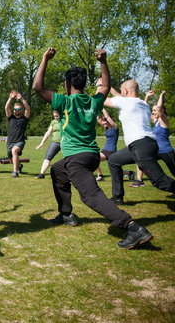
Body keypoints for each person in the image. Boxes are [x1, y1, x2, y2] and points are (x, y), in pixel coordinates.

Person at [32, 47, 153, 249]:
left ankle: (133, 227)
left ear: (67, 84)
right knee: (57, 170)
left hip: (77, 158)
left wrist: (45, 59)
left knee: (90, 195)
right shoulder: (93, 101)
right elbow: (105, 87)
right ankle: (66, 214)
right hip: (91, 155)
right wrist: (103, 61)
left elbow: (37, 87)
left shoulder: (65, 101)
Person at [105, 81, 175, 205]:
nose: (121, 94)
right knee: (114, 160)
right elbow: (119, 96)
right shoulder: (143, 103)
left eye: (122, 91)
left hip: (141, 146)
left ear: (125, 92)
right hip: (145, 145)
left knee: (160, 181)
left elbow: (102, 100)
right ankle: (117, 197)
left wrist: (101, 87)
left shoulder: (126, 102)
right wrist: (109, 86)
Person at [130, 90, 175, 187]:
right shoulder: (155, 121)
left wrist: (161, 96)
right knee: (141, 159)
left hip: (166, 151)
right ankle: (139, 180)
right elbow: (143, 110)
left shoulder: (164, 121)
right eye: (153, 110)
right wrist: (146, 97)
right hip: (156, 151)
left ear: (161, 111)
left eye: (155, 110)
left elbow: (159, 108)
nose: (153, 112)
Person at [5, 90, 30, 177]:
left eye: (19, 109)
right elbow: (6, 108)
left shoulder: (24, 118)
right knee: (11, 159)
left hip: (19, 141)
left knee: (14, 151)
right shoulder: (10, 117)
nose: (17, 111)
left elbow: (28, 108)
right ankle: (19, 166)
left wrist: (22, 98)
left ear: (21, 110)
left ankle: (15, 172)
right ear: (14, 110)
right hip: (9, 142)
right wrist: (10, 98)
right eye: (15, 109)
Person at [94, 108, 119, 181]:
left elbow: (107, 116)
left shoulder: (115, 127)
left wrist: (101, 107)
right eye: (103, 121)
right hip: (105, 151)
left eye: (105, 121)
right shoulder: (106, 127)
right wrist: (96, 106)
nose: (103, 122)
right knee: (94, 158)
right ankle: (100, 175)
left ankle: (130, 173)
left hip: (112, 152)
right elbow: (98, 119)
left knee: (116, 170)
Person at [35, 111, 61, 178]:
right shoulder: (53, 122)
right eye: (54, 116)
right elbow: (48, 133)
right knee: (48, 157)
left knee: (69, 158)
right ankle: (41, 174)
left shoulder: (66, 120)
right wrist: (42, 143)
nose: (56, 118)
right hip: (55, 142)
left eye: (57, 116)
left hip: (66, 143)